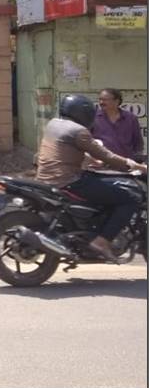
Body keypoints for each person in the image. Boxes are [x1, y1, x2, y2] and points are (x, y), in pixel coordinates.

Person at [36, 94, 147, 261]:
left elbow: (64, 150)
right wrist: (138, 166)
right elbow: (107, 155)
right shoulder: (78, 131)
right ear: (83, 112)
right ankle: (102, 241)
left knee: (107, 183)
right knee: (130, 197)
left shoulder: (54, 124)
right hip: (69, 180)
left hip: (48, 177)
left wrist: (91, 160)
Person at [91, 88, 145, 163]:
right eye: (100, 99)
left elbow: (138, 142)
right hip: (100, 166)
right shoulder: (93, 117)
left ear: (117, 101)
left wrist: (137, 162)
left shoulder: (130, 118)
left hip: (125, 166)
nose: (101, 102)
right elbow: (88, 141)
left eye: (105, 100)